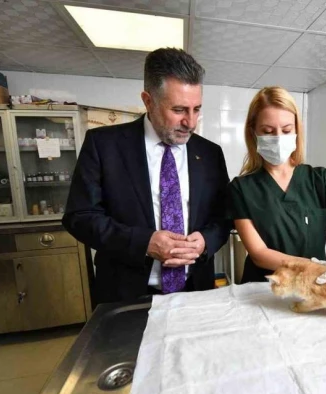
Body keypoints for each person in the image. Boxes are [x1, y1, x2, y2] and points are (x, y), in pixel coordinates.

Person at [63, 48, 231, 304]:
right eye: (179, 110)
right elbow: (80, 216)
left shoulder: (209, 153)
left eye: (196, 109)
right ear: (148, 101)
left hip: (195, 292)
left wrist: (206, 241)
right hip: (126, 294)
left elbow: (223, 216)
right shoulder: (104, 145)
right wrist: (143, 243)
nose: (191, 122)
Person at [228, 86, 326, 313]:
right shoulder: (241, 188)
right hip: (264, 292)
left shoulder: (320, 180)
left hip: (314, 291)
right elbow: (259, 253)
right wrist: (315, 269)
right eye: (268, 131)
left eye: (286, 130)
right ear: (253, 133)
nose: (278, 138)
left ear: (297, 131)